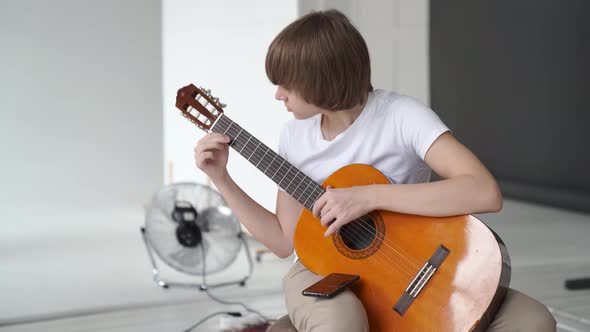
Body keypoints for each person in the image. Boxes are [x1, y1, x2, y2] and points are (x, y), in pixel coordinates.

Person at [193, 9, 556, 332]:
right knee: (342, 321)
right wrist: (221, 178)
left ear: (323, 79)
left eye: (288, 85)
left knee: (534, 322)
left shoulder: (402, 116)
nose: (279, 96)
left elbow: (483, 191)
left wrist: (367, 196)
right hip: (324, 271)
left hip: (409, 267)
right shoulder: (294, 136)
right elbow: (281, 241)